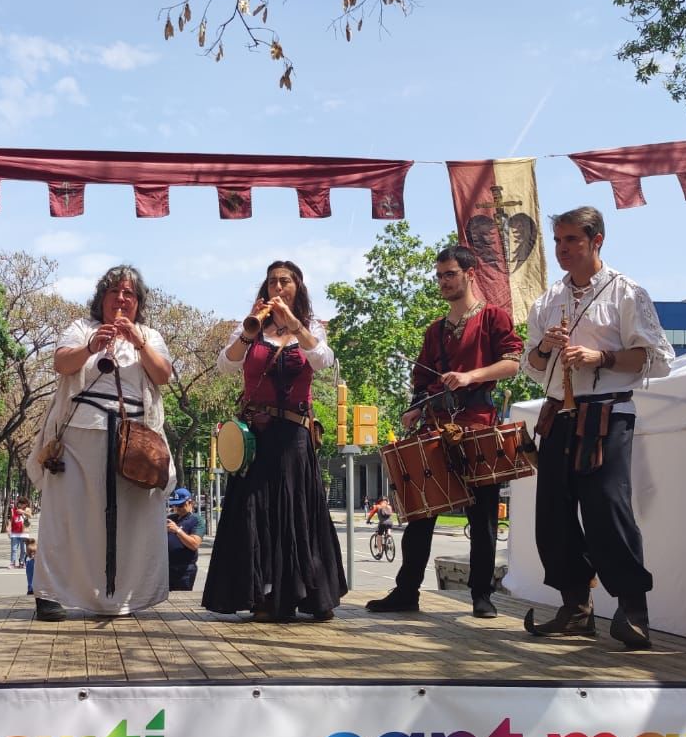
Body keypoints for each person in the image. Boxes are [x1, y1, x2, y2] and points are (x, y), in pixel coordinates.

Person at [522, 206, 674, 648]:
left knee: (607, 507)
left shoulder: (625, 292)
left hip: (607, 412)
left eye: (572, 240)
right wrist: (546, 349)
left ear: (597, 241)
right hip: (557, 414)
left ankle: (633, 609)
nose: (563, 249)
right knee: (553, 514)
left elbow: (652, 358)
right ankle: (575, 608)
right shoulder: (547, 301)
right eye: (559, 241)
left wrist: (600, 357)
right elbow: (531, 367)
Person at [366, 245, 523, 619]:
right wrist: (416, 408)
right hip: (437, 430)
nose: (443, 282)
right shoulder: (434, 330)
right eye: (439, 276)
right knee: (421, 513)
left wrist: (470, 376)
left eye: (449, 274)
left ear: (470, 274)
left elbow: (512, 364)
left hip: (478, 427)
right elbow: (422, 381)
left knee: (483, 517)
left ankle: (481, 596)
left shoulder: (493, 318)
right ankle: (406, 592)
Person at [28, 265, 174, 620]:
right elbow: (61, 363)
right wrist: (93, 345)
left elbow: (163, 375)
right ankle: (50, 593)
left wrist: (137, 343)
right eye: (114, 293)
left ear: (138, 302)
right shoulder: (82, 328)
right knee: (67, 513)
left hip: (133, 436)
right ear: (102, 298)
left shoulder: (149, 335)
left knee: (133, 516)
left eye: (129, 294)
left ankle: (128, 596)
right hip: (81, 432)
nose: (121, 299)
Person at [202, 260, 346, 621]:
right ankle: (264, 595)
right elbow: (225, 366)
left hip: (294, 434)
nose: (278, 288)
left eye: (285, 281)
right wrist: (248, 332)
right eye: (272, 282)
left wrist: (295, 325)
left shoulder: (310, 327)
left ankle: (312, 594)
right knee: (256, 510)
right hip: (256, 433)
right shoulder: (251, 327)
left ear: (298, 286)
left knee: (298, 509)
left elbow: (323, 361)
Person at [166, 486, 202, 590]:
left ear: (190, 503)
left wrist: (177, 530)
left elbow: (194, 544)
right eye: (175, 505)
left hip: (184, 570)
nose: (178, 509)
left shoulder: (196, 520)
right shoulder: (170, 518)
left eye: (181, 505)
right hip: (167, 568)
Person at [8, 498, 29, 568]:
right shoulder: (14, 510)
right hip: (15, 533)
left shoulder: (27, 510)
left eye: (23, 504)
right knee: (14, 549)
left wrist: (23, 512)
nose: (21, 505)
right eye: (20, 503)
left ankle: (22, 562)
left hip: (24, 533)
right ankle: (12, 563)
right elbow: (11, 520)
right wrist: (9, 529)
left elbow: (30, 516)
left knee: (24, 550)